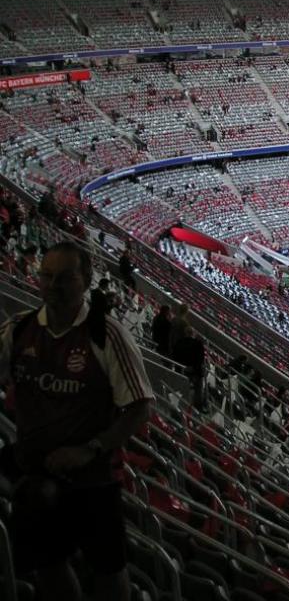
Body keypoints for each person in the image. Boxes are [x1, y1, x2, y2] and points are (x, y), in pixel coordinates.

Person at [0, 241, 153, 601]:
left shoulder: (108, 334)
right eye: (47, 275)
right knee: (48, 564)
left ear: (85, 280)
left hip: (94, 480)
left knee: (108, 568)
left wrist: (90, 448)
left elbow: (140, 406)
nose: (54, 285)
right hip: (35, 474)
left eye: (65, 277)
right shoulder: (18, 330)